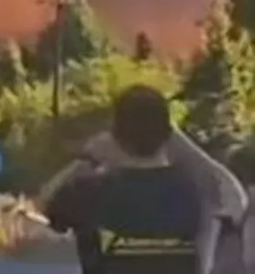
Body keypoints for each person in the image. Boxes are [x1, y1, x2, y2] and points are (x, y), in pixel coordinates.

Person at [41, 85, 224, 274]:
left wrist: (85, 159)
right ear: (168, 135)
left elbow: (42, 207)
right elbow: (229, 192)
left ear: (115, 137)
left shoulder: (87, 193)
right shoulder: (192, 193)